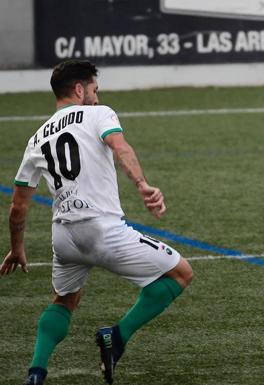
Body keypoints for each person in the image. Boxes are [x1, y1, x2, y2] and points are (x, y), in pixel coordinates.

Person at [0, 59, 194, 385]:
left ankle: (35, 373)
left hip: (63, 236)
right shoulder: (98, 114)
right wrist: (142, 184)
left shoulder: (36, 139)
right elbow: (121, 148)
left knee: (64, 300)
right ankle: (116, 337)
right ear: (80, 89)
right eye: (95, 89)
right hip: (102, 230)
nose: (97, 96)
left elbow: (18, 206)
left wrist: (16, 248)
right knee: (181, 273)